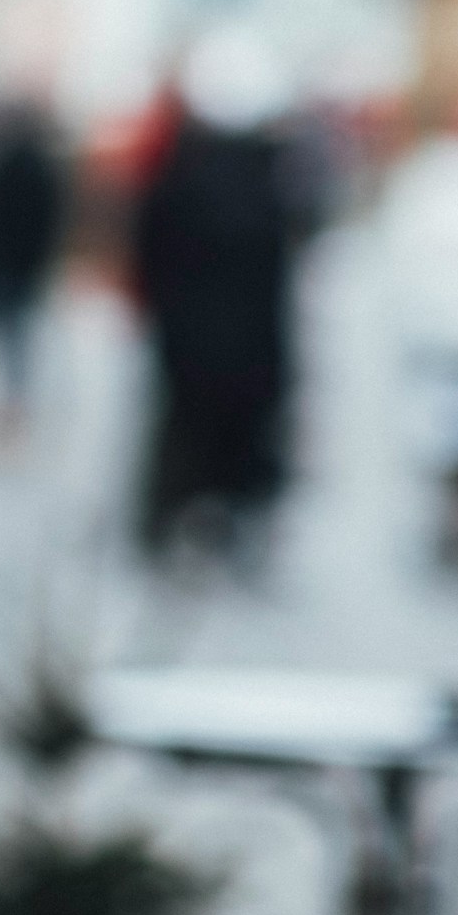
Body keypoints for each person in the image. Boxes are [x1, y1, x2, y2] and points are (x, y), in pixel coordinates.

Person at [131, 33, 315, 562]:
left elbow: (152, 256)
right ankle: (213, 524)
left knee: (195, 437)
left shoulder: (187, 174)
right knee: (223, 440)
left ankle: (185, 524)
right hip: (234, 345)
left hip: (199, 343)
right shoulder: (262, 181)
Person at [0, 101, 68, 427]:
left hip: (0, 266)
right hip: (20, 269)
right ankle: (8, 403)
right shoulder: (39, 169)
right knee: (15, 341)